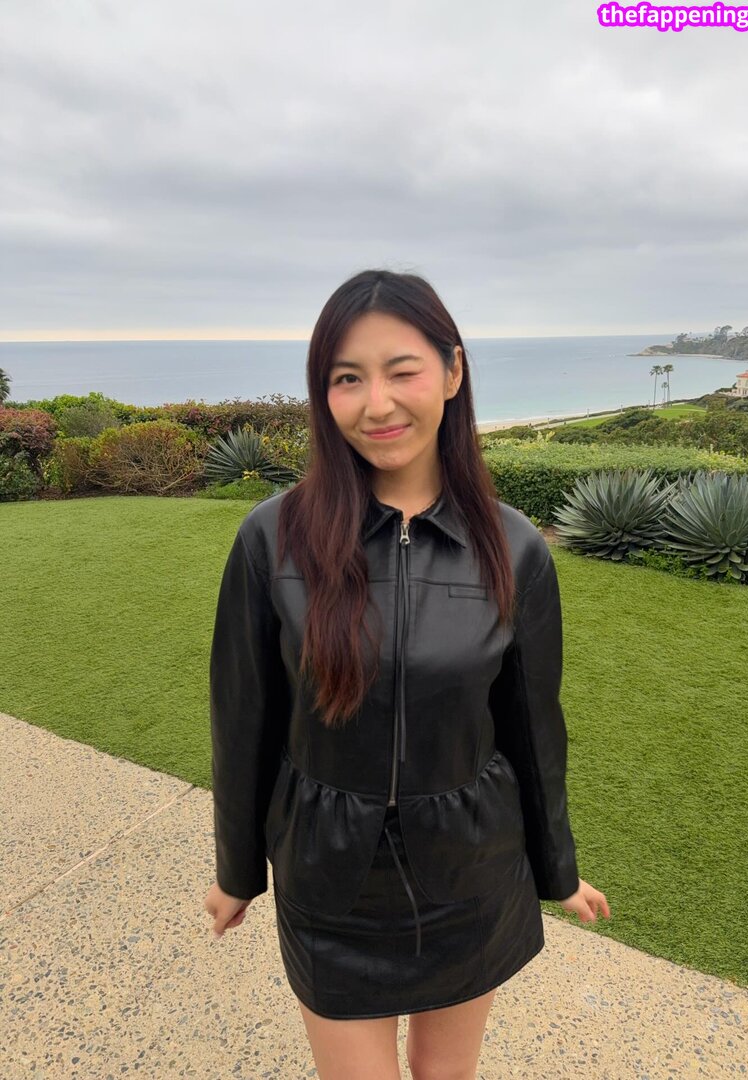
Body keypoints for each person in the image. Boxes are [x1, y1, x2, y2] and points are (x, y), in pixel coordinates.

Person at [204, 268, 610, 1080]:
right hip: (329, 881)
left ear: (453, 372)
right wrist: (236, 872)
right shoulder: (271, 538)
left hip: (471, 873)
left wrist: (557, 868)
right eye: (347, 378)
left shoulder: (514, 547)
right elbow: (243, 721)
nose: (376, 404)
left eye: (401, 371)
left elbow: (532, 727)